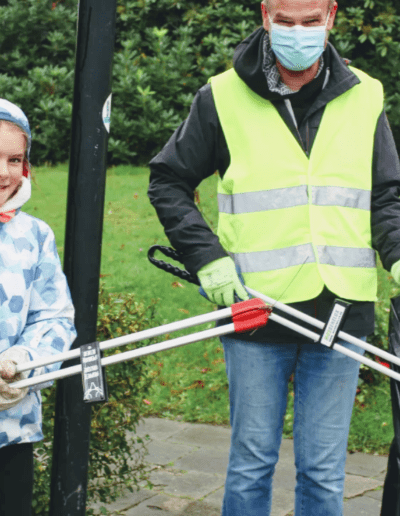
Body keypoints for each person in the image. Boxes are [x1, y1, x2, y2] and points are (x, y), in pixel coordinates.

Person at [148, 0, 400, 514]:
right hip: (255, 308)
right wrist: (207, 258)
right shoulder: (221, 95)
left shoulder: (366, 94)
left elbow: (385, 195)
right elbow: (168, 180)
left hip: (342, 311)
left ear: (331, 15)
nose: (298, 32)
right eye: (286, 21)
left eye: (310, 21)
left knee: (325, 472)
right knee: (251, 463)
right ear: (266, 15)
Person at [0, 99, 77, 516]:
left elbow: (53, 316)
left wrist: (25, 361)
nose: (3, 172)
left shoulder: (34, 236)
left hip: (11, 430)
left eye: (15, 159)